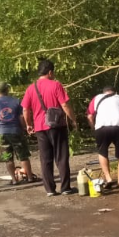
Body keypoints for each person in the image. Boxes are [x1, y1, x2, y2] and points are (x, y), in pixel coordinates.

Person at [21, 59, 78, 196]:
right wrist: (73, 120)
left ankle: (50, 189)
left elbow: (25, 109)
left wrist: (29, 125)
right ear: (50, 72)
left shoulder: (31, 88)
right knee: (61, 157)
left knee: (45, 159)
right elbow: (64, 105)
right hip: (57, 125)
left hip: (40, 128)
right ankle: (65, 188)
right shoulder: (56, 85)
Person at [0, 81, 36, 185]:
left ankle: (14, 180)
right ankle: (30, 177)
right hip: (15, 131)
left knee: (7, 158)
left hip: (1, 133)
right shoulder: (16, 101)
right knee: (23, 155)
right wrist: (24, 127)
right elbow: (21, 117)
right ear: (7, 89)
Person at [87, 85, 119, 188]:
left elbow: (90, 116)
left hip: (102, 127)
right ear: (115, 92)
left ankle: (108, 178)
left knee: (102, 152)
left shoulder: (96, 98)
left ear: (103, 92)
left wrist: (93, 128)